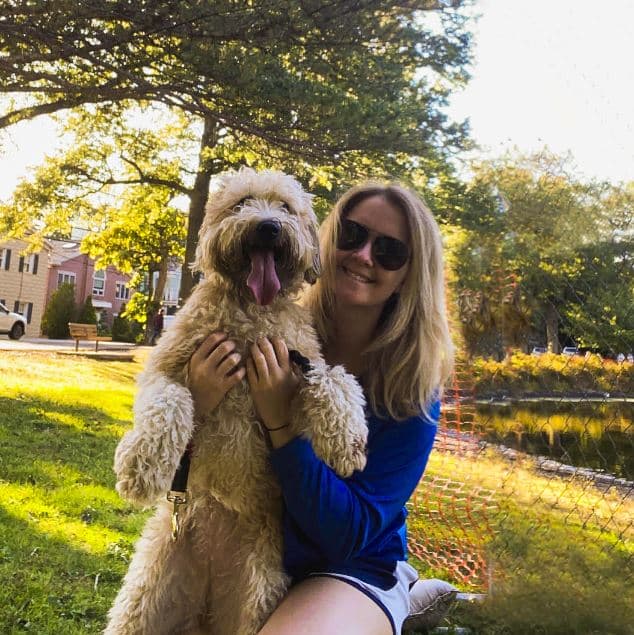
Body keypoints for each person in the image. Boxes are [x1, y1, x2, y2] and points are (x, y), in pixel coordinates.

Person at [188, 183, 453, 635]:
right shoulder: (266, 323)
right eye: (352, 234)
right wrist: (198, 402)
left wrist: (281, 424)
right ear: (324, 238)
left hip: (348, 566)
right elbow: (195, 466)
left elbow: (346, 538)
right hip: (249, 544)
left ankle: (402, 593)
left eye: (389, 251)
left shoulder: (414, 390)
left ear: (410, 273)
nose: (364, 255)